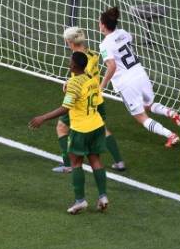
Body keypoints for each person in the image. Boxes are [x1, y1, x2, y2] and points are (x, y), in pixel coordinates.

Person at [30, 52, 108, 215]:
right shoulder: (91, 80)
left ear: (73, 66)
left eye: (70, 61)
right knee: (95, 161)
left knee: (76, 163)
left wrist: (42, 118)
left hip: (81, 129)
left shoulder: (74, 83)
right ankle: (103, 197)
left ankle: (80, 201)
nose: (68, 62)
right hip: (97, 125)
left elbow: (66, 108)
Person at [98, 6, 180, 148]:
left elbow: (112, 66)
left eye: (99, 22)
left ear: (103, 25)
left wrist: (102, 85)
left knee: (140, 116)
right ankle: (170, 112)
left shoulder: (104, 45)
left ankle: (170, 135)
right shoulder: (124, 33)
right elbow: (129, 40)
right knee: (148, 104)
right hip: (140, 73)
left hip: (126, 83)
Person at [52, 26, 125, 173]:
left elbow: (83, 78)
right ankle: (119, 161)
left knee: (61, 127)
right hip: (96, 98)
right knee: (101, 129)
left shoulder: (77, 59)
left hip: (83, 100)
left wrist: (70, 85)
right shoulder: (92, 54)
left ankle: (68, 165)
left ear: (69, 42)